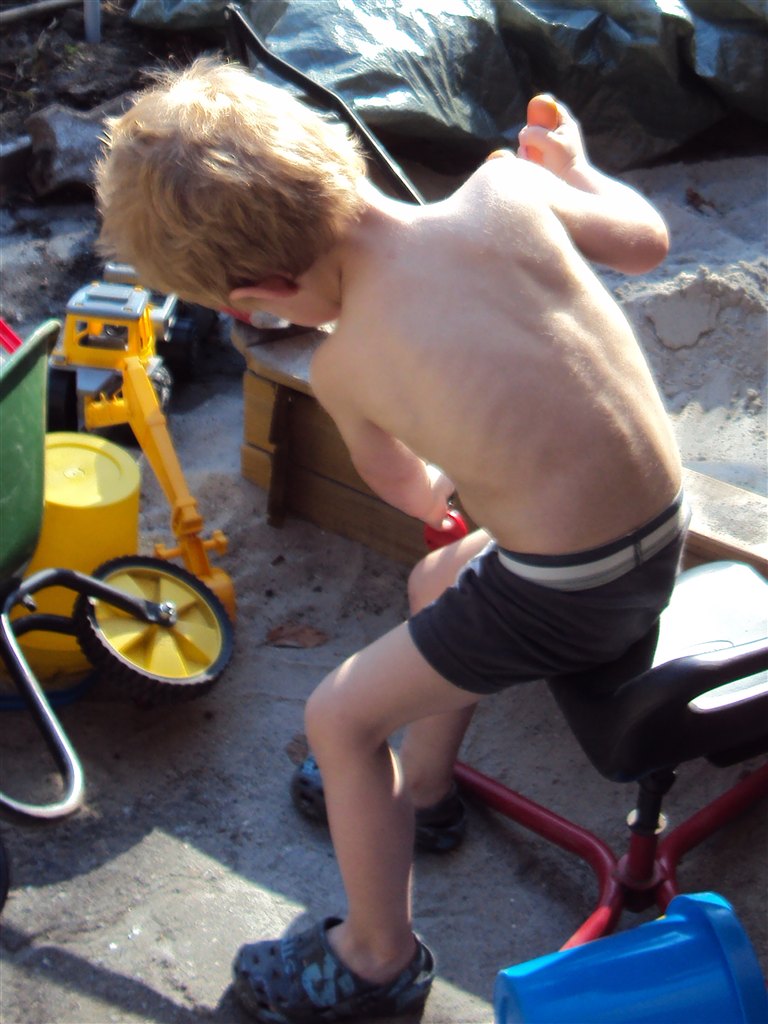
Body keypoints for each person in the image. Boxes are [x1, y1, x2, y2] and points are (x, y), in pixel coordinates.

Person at [95, 59, 687, 1023]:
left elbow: (412, 488)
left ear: (268, 289)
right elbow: (647, 243)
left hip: (569, 596)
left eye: (255, 312)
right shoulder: (505, 191)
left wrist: (451, 478)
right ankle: (425, 791)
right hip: (658, 530)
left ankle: (376, 960)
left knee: (338, 717)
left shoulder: (349, 365)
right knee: (438, 581)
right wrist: (576, 172)